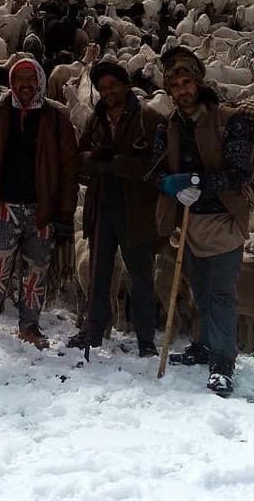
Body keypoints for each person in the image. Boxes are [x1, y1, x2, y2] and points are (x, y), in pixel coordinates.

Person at [0, 58, 78, 349]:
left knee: (36, 268)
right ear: (12, 82)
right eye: (19, 79)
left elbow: (69, 169)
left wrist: (64, 212)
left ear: (40, 81)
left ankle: (29, 324)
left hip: (42, 209)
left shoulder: (57, 119)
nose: (25, 85)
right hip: (3, 204)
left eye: (30, 79)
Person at [153, 47, 252, 396]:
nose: (182, 89)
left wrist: (197, 183)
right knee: (200, 291)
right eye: (175, 85)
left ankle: (223, 362)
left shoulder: (229, 120)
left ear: (198, 81)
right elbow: (157, 171)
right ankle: (205, 343)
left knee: (221, 292)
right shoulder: (171, 126)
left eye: (186, 81)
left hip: (223, 220)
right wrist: (170, 185)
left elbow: (239, 173)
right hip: (188, 221)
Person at [66, 61, 161, 357]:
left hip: (135, 208)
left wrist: (117, 163)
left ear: (125, 86)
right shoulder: (96, 119)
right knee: (99, 272)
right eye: (102, 88)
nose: (108, 92)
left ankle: (146, 337)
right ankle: (95, 330)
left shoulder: (148, 118)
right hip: (102, 206)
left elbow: (157, 165)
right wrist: (93, 159)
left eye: (112, 86)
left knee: (140, 276)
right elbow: (80, 158)